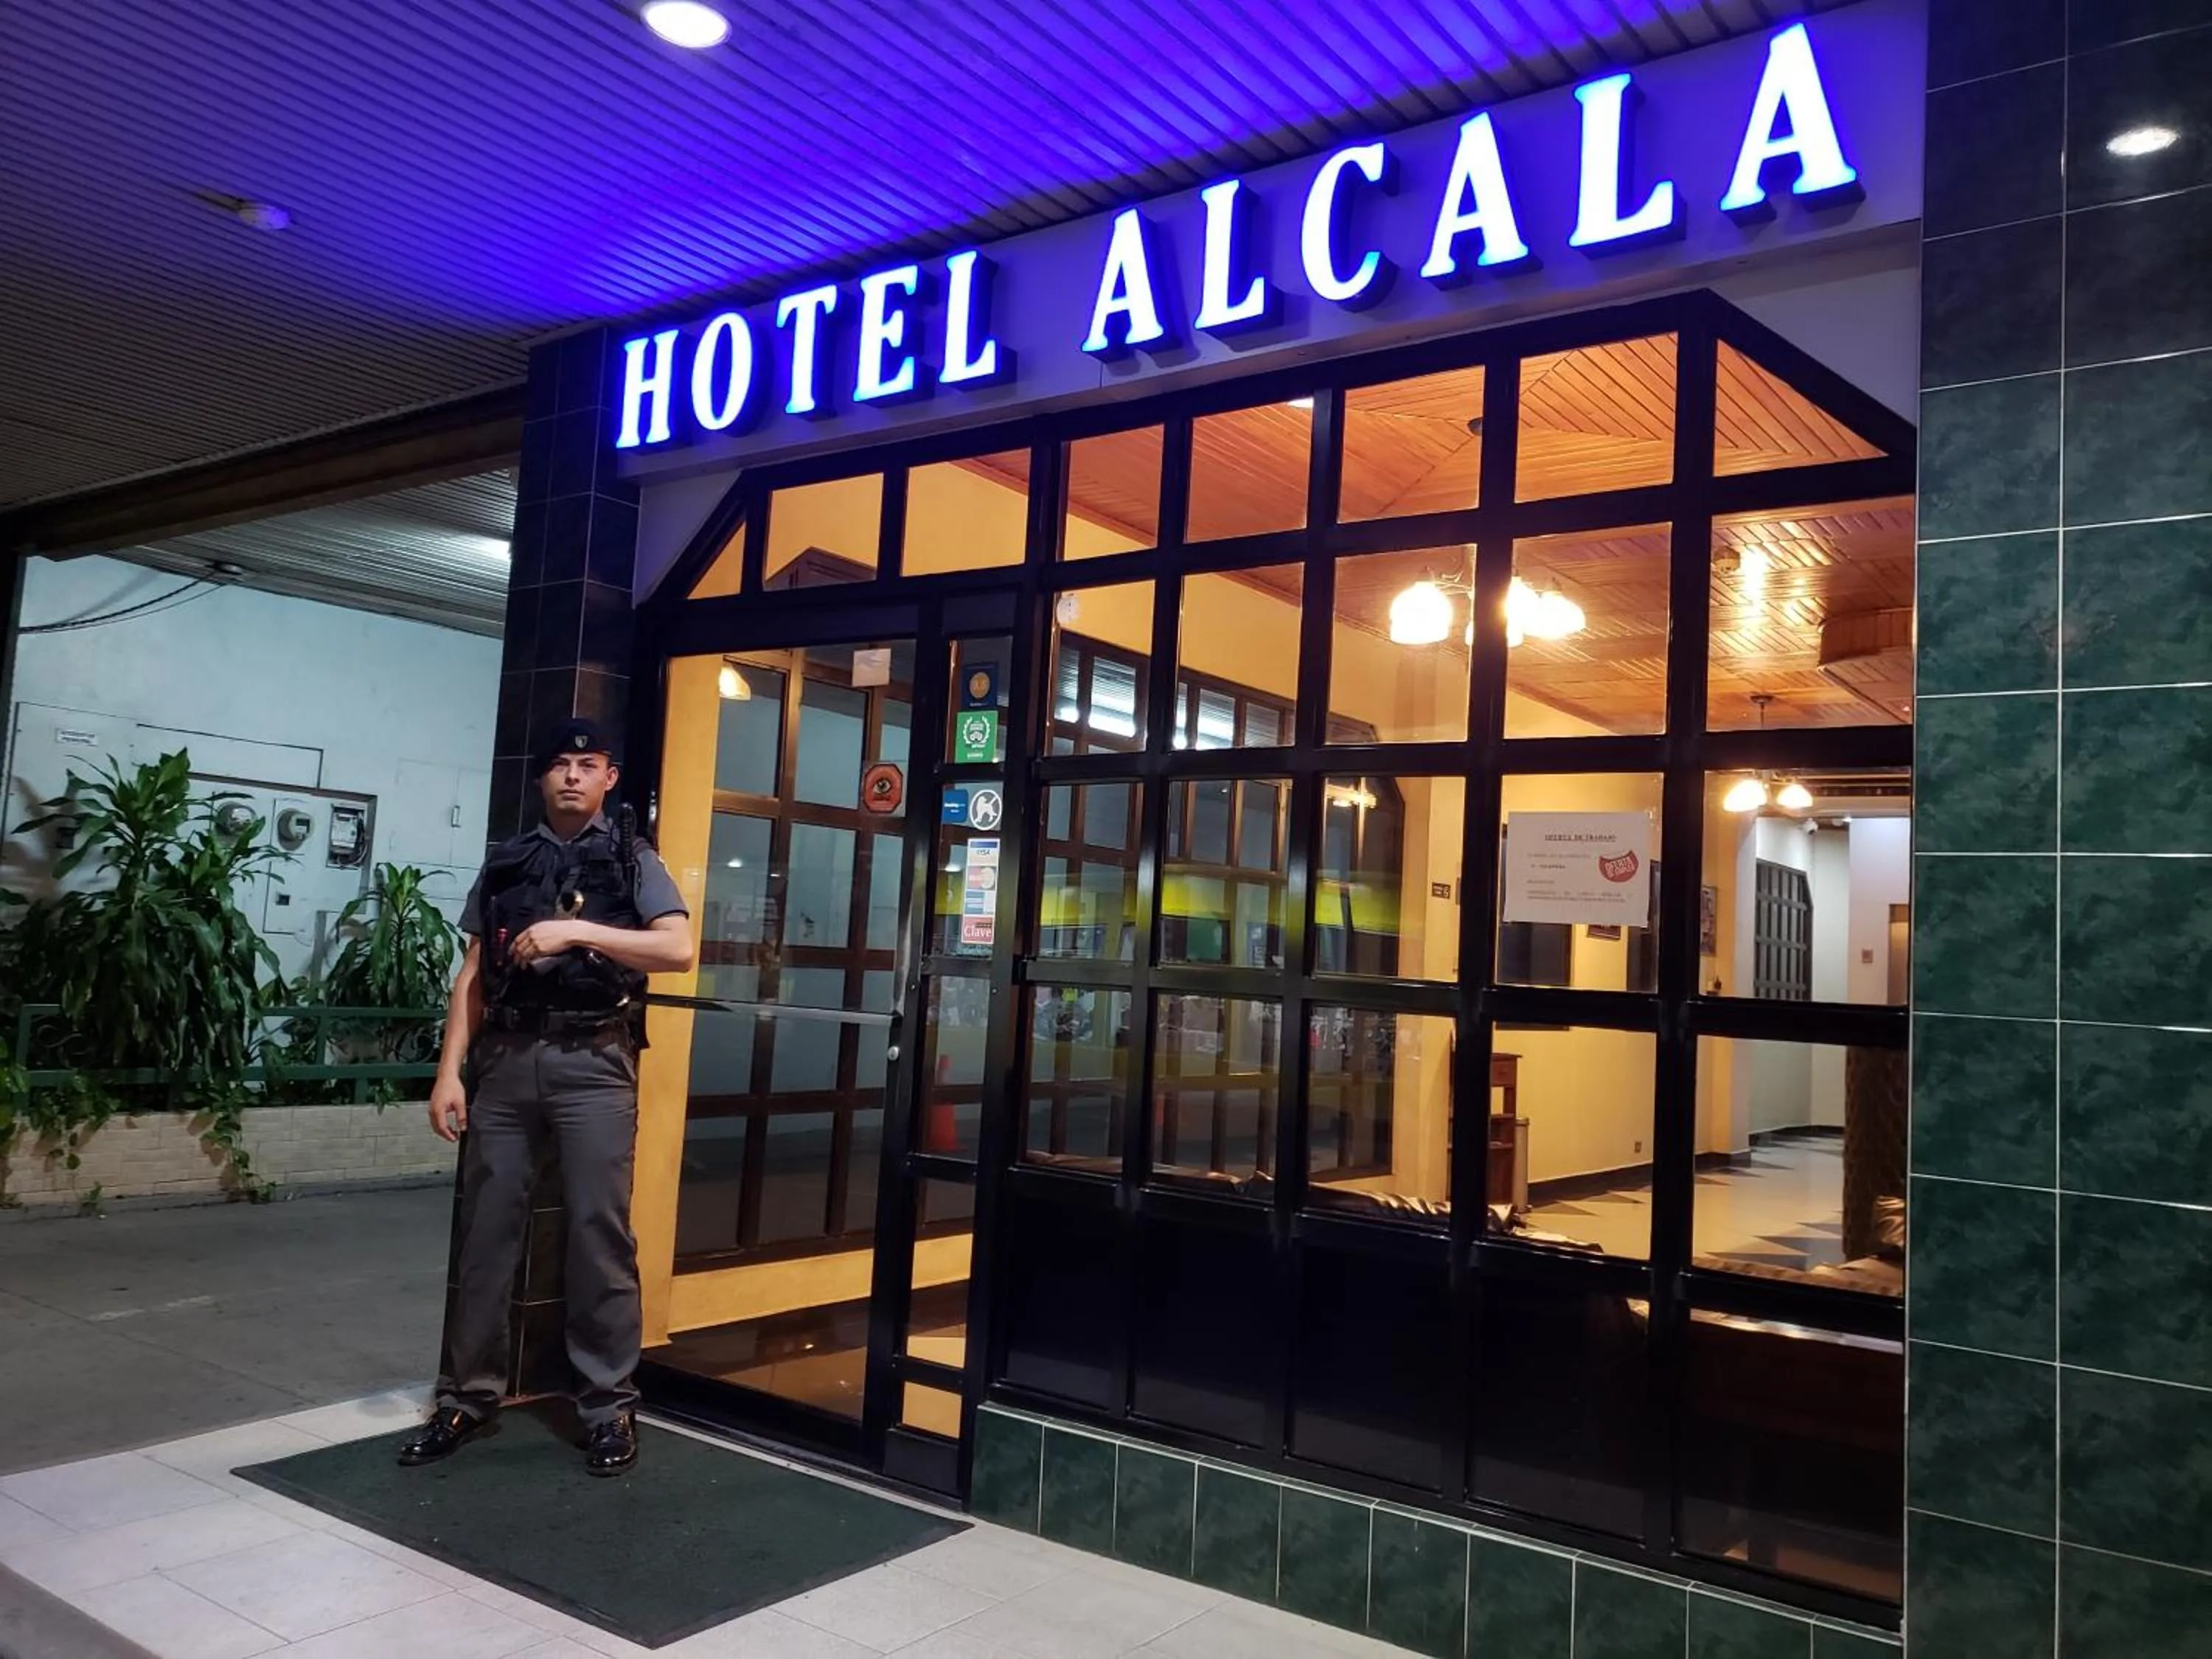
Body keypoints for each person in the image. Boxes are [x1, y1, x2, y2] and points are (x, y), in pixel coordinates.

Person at [397, 718, 694, 1477]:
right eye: (558, 765)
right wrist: (447, 1072)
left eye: (586, 765)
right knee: (486, 1233)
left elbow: (677, 948)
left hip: (593, 1062)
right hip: (503, 1061)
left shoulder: (632, 859)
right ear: (541, 779)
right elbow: (471, 973)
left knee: (600, 1232)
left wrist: (574, 932)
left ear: (609, 778)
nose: (571, 777)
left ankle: (607, 1408)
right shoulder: (507, 861)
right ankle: (465, 1398)